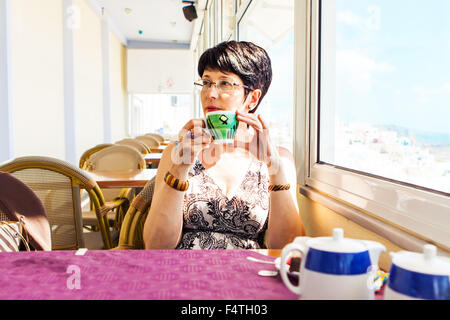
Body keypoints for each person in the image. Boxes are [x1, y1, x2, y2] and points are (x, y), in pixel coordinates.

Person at [143, 41, 305, 249]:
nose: (210, 93)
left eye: (225, 83)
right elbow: (156, 245)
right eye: (206, 82)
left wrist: (274, 168)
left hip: (249, 275)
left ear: (253, 98)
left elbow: (286, 247)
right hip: (185, 272)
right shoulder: (179, 152)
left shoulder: (278, 158)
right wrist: (179, 167)